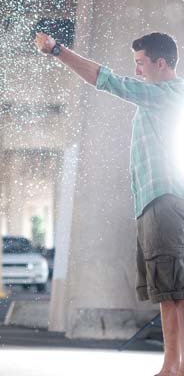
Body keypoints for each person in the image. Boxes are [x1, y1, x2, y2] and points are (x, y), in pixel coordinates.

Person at [35, 31, 184, 375]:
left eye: (141, 63)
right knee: (170, 288)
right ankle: (175, 365)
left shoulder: (166, 94)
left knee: (171, 290)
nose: (138, 70)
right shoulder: (162, 96)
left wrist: (58, 50)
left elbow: (107, 80)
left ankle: (172, 368)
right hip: (158, 202)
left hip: (164, 202)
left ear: (161, 63)